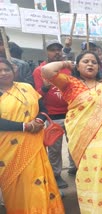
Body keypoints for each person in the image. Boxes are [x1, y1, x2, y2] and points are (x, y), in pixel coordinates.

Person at [41, 51, 102, 213]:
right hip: (85, 137)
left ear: (99, 67)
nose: (90, 64)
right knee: (91, 172)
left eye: (94, 62)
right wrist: (65, 64)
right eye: (85, 61)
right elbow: (47, 71)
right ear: (77, 65)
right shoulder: (69, 83)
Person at [0, 57, 64, 213]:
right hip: (8, 149)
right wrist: (24, 126)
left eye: (6, 69)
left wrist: (38, 120)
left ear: (13, 70)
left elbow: (43, 109)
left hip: (34, 141)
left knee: (37, 181)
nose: (3, 73)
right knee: (16, 185)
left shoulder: (26, 87)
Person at [33, 39, 77, 189]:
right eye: (52, 49)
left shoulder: (68, 69)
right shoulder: (39, 71)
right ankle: (56, 175)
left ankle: (74, 167)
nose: (56, 52)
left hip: (71, 114)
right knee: (54, 148)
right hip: (52, 117)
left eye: (58, 49)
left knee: (74, 144)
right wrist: (45, 88)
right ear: (46, 52)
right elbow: (36, 96)